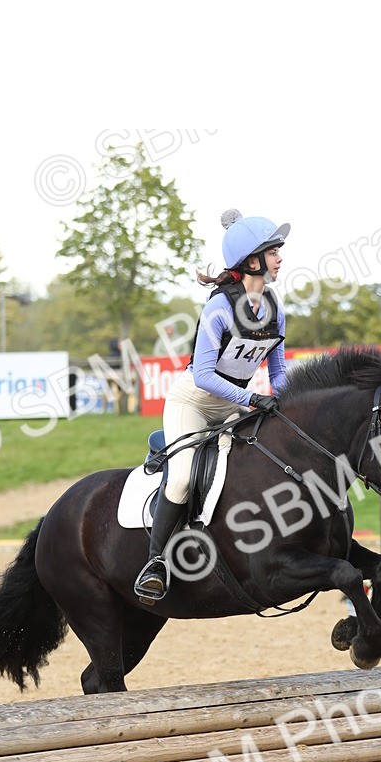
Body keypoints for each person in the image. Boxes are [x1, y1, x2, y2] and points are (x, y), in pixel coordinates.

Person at [133, 209, 290, 603]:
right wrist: (252, 398)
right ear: (253, 260)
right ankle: (156, 564)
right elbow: (203, 375)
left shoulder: (275, 310)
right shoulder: (219, 306)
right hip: (194, 401)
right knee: (183, 478)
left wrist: (287, 403)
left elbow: (279, 372)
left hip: (234, 403)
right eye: (274, 252)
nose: (280, 259)